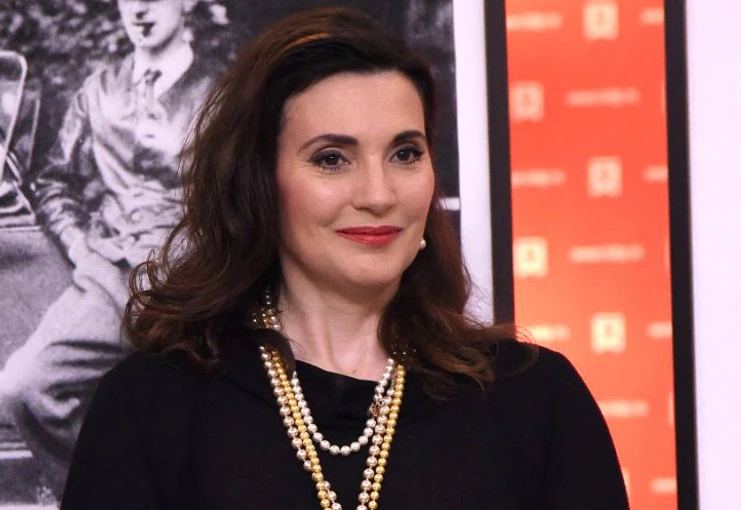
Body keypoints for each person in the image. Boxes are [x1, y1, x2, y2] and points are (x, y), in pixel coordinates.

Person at [61, 7, 629, 509]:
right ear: (259, 183)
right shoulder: (151, 408)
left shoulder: (534, 399)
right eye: (332, 159)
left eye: (405, 153)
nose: (379, 195)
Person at [0, 0, 219, 500]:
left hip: (194, 288)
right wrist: (79, 247)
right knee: (23, 386)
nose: (139, 8)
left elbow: (249, 200)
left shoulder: (226, 94)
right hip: (107, 279)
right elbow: (53, 182)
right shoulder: (98, 91)